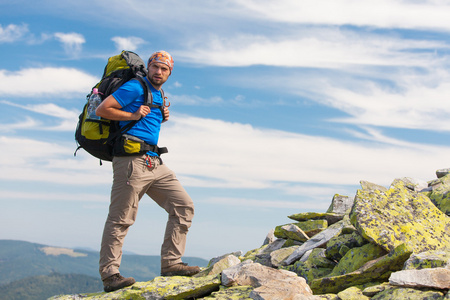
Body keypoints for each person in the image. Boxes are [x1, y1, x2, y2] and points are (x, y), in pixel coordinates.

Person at [96, 50, 200, 293]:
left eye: (164, 69)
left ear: (169, 73)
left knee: (183, 206)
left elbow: (146, 121)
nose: (159, 72)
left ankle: (172, 263)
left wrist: (160, 116)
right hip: (131, 161)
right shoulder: (135, 86)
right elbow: (103, 109)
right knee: (121, 218)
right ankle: (110, 274)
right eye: (155, 67)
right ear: (149, 67)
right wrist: (132, 114)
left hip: (154, 161)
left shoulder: (158, 93)